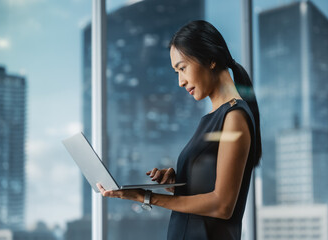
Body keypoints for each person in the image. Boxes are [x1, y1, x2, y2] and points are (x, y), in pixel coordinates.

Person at [97, 20, 262, 240]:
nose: (180, 82)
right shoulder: (214, 118)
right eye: (177, 72)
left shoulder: (234, 117)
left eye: (182, 68)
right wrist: (178, 184)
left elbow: (222, 205)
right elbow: (207, 194)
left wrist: (145, 197)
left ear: (211, 59)